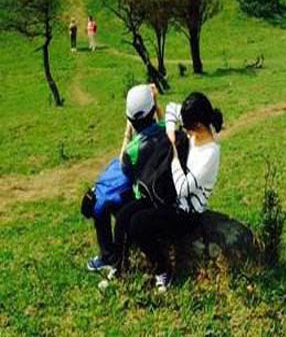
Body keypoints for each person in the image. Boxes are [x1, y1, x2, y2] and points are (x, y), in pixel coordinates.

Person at [110, 92, 223, 292]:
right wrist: (171, 130)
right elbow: (171, 108)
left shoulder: (211, 153)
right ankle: (119, 265)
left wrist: (174, 156)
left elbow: (184, 188)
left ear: (197, 125)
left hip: (186, 212)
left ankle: (163, 270)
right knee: (124, 215)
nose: (185, 132)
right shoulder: (195, 127)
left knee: (138, 224)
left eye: (187, 129)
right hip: (168, 197)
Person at [86, 84, 164, 273]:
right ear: (153, 111)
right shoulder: (166, 132)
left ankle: (109, 256)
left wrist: (127, 131)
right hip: (161, 189)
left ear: (130, 118)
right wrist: (156, 103)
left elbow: (124, 165)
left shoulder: (133, 149)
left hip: (143, 195)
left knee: (101, 200)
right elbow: (163, 123)